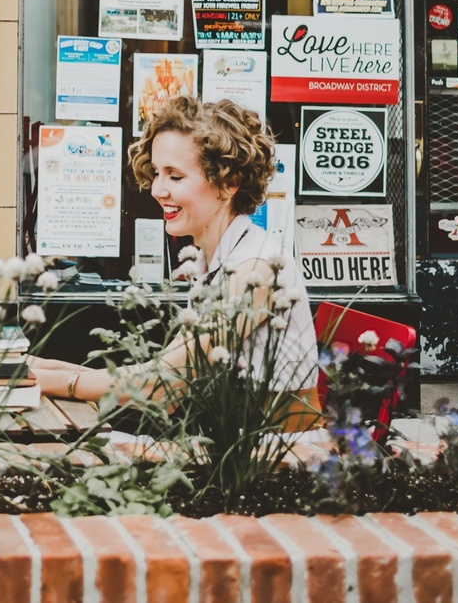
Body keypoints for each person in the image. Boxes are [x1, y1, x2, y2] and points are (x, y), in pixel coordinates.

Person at [27, 97, 319, 416]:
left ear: (229, 183)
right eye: (156, 172)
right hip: (229, 449)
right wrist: (36, 367)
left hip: (274, 459)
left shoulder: (256, 269)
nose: (156, 189)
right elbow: (169, 384)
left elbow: (160, 386)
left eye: (175, 176)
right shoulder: (218, 261)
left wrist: (48, 380)